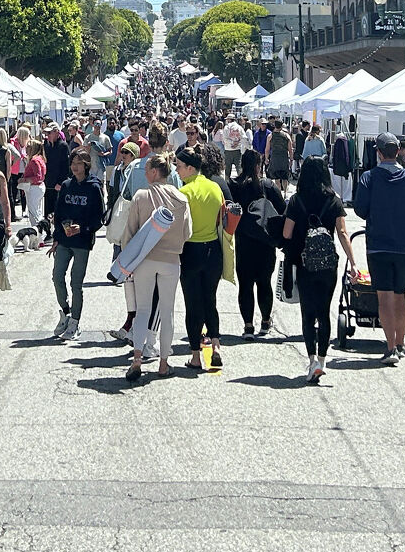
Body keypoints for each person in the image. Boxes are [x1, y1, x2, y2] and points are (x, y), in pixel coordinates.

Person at [353, 131, 405, 363]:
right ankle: (401, 344)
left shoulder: (369, 178)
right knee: (401, 296)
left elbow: (360, 209)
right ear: (398, 152)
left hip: (378, 244)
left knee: (384, 298)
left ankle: (390, 346)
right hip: (403, 245)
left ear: (379, 153)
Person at [283, 157, 353, 383]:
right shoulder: (334, 200)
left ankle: (311, 359)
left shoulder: (296, 200)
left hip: (304, 263)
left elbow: (286, 233)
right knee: (324, 312)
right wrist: (353, 262)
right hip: (327, 264)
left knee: (308, 313)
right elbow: (342, 233)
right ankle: (322, 361)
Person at [123, 154, 190, 381]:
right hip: (171, 259)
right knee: (168, 311)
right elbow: (187, 233)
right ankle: (163, 363)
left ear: (153, 172)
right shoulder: (181, 198)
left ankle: (137, 359)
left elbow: (129, 233)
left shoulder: (141, 196)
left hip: (145, 259)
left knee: (142, 310)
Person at [174, 147, 228, 370]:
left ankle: (196, 355)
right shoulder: (215, 187)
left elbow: (178, 226)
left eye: (178, 166)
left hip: (191, 249)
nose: (176, 171)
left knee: (192, 304)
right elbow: (221, 217)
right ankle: (215, 345)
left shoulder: (184, 192)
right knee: (210, 300)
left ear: (189, 168)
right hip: (213, 248)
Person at [230, 150, 287, 338]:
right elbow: (282, 210)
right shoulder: (267, 186)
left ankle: (247, 326)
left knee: (245, 285)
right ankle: (265, 322)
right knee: (264, 283)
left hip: (244, 242)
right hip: (265, 243)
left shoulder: (235, 186)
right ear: (258, 165)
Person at [50, 149, 105, 341]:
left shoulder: (94, 187)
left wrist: (82, 228)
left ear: (87, 165)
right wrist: (57, 236)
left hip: (82, 241)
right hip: (64, 240)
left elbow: (99, 217)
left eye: (79, 163)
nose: (75, 166)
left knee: (76, 283)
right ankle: (65, 313)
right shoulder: (66, 185)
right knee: (57, 276)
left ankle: (75, 321)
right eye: (73, 162)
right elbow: (58, 213)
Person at [19, 139, 48, 232]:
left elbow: (38, 177)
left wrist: (24, 179)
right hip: (38, 188)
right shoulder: (40, 159)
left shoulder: (34, 160)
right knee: (37, 212)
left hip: (34, 188)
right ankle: (41, 234)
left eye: (28, 147)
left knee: (33, 213)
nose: (26, 148)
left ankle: (37, 233)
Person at [329, 124, 356, 202]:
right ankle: (346, 198)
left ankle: (339, 197)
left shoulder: (339, 142)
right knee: (346, 184)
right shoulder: (345, 141)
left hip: (338, 167)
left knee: (337, 184)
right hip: (345, 168)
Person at [266, 120, 294, 189]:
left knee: (277, 178)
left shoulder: (270, 136)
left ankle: (279, 193)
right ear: (281, 126)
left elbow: (267, 149)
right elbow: (290, 149)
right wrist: (291, 159)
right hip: (284, 158)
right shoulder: (286, 136)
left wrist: (266, 158)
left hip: (275, 158)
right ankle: (285, 192)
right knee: (285, 177)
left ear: (275, 125)